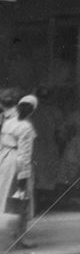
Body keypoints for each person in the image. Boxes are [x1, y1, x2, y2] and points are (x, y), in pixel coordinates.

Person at [0, 94, 38, 250]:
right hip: (17, 163)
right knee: (22, 202)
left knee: (4, 198)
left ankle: (10, 238)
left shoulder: (8, 122)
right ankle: (19, 239)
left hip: (3, 160)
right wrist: (23, 177)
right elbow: (25, 153)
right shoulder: (26, 127)